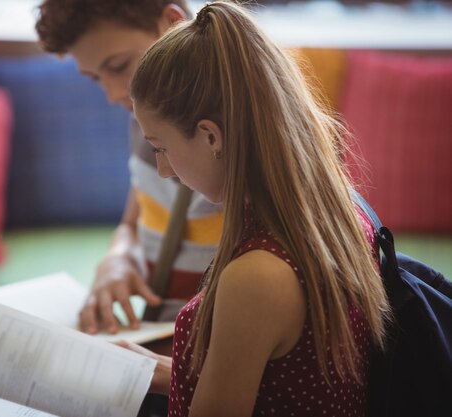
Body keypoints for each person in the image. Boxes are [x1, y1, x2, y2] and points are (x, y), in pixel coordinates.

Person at [123, 2, 392, 416]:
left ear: (211, 137)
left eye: (161, 148)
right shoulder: (340, 211)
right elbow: (275, 380)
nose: (161, 170)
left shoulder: (257, 276)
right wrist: (158, 371)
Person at [35, 1, 223, 336]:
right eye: (96, 79)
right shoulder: (144, 119)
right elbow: (134, 223)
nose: (113, 94)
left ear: (172, 24)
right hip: (167, 337)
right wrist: (119, 257)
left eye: (120, 66)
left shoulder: (233, 134)